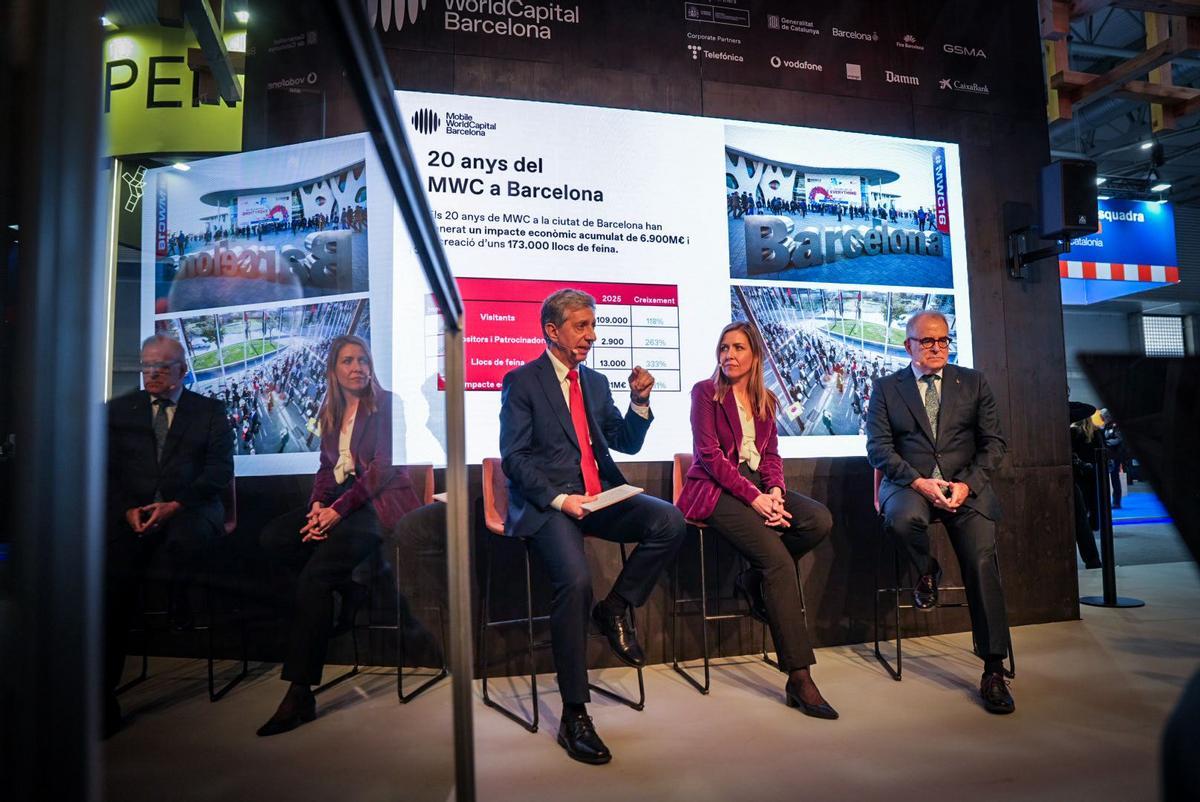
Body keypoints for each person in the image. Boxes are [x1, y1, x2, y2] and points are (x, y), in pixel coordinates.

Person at [499, 289, 687, 765]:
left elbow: (623, 442)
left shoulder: (597, 383)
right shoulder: (521, 381)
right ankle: (574, 713)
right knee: (576, 581)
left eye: (592, 325)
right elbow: (514, 459)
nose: (591, 335)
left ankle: (617, 608)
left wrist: (639, 403)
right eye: (581, 326)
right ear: (552, 330)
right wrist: (562, 500)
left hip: (600, 496)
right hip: (551, 504)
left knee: (669, 519)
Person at [256, 335, 422, 736]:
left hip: (378, 508)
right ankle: (348, 590)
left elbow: (381, 470)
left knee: (315, 579)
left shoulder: (387, 404)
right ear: (333, 370)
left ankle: (299, 692)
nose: (358, 368)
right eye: (348, 361)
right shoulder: (330, 410)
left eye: (363, 360)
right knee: (274, 538)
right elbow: (324, 467)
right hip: (341, 506)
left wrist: (336, 511)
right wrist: (317, 506)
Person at [676, 321, 837, 719]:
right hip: (713, 490)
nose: (728, 355)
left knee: (817, 519)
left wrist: (777, 492)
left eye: (737, 348)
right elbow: (710, 458)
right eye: (724, 348)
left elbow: (771, 458)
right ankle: (799, 678)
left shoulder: (766, 399)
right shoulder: (705, 393)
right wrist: (757, 498)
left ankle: (750, 582)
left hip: (756, 488)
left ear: (754, 356)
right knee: (778, 563)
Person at [865, 310, 1014, 714]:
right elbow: (878, 448)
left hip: (966, 488)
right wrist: (917, 482)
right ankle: (926, 570)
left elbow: (994, 444)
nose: (936, 348)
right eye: (927, 341)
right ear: (908, 345)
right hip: (911, 483)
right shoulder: (886, 388)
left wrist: (967, 485)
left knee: (982, 563)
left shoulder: (974, 382)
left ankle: (993, 668)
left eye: (943, 340)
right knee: (901, 520)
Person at [105, 335, 234, 737]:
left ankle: (181, 602)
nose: (152, 374)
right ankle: (103, 694)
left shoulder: (210, 411)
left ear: (182, 369)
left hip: (190, 510)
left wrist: (175, 504)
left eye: (161, 366)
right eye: (146, 366)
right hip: (134, 515)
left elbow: (218, 472)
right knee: (110, 582)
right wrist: (126, 508)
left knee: (184, 540)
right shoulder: (117, 412)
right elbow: (104, 471)